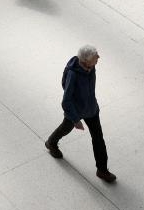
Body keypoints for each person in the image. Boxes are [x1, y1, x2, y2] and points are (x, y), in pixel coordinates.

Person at [43, 45, 116, 183]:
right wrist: (76, 119)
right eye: (95, 56)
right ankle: (51, 142)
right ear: (86, 60)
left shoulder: (91, 67)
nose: (98, 58)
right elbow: (66, 100)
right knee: (66, 128)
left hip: (92, 109)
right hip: (76, 110)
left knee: (98, 138)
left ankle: (102, 170)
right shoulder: (73, 74)